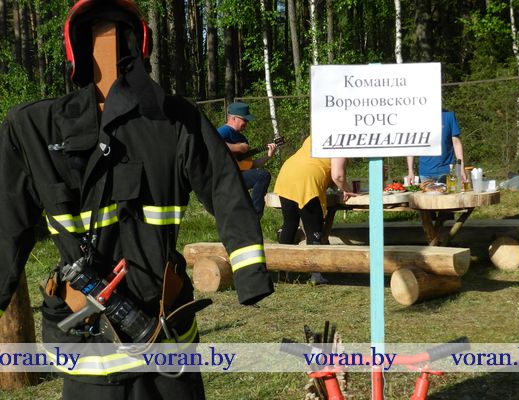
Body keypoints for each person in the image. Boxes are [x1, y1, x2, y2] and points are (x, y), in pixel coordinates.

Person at [0, 1, 273, 399]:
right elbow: (7, 222)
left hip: (161, 335)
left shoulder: (176, 121)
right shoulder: (32, 129)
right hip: (93, 340)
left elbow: (225, 190)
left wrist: (249, 274)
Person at [273, 136, 357, 284]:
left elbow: (321, 164)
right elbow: (337, 175)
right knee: (314, 228)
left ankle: (282, 272)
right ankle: (316, 274)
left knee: (290, 224)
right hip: (307, 181)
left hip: (287, 174)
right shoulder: (341, 139)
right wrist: (348, 189)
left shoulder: (318, 133)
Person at [217, 102, 278, 218]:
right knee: (263, 175)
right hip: (223, 177)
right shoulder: (224, 131)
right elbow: (212, 144)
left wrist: (268, 156)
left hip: (236, 177)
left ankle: (252, 217)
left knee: (262, 175)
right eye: (244, 120)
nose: (246, 123)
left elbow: (250, 165)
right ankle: (254, 215)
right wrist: (238, 147)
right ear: (233, 118)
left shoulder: (242, 138)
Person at [406, 110, 467, 184]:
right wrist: (410, 171)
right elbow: (411, 146)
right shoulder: (417, 118)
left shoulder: (449, 115)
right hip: (425, 174)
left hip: (447, 172)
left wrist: (461, 167)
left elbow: (456, 143)